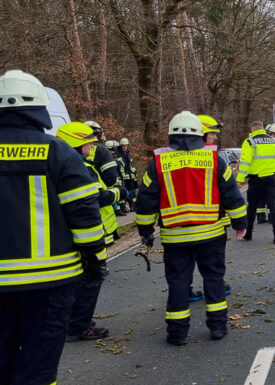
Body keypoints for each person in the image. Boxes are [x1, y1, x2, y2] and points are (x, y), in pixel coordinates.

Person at [0, 70, 105, 385]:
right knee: (39, 365)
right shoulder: (57, 151)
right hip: (50, 281)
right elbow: (85, 214)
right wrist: (93, 259)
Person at [135, 111, 248, 345]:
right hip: (211, 234)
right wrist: (240, 224)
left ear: (171, 135)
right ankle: (217, 326)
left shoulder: (158, 163)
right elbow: (231, 194)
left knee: (178, 282)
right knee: (214, 279)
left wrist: (145, 231)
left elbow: (145, 200)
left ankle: (177, 332)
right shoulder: (214, 159)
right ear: (200, 134)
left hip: (175, 237)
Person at [56, 122, 126, 342]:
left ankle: (73, 321)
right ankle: (79, 325)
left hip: (66, 235)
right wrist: (118, 193)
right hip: (86, 236)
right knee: (91, 278)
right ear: (77, 144)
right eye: (89, 143)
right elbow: (97, 197)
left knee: (75, 279)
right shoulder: (78, 167)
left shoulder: (60, 164)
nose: (92, 147)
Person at [190, 114, 231, 302]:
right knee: (213, 262)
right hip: (211, 222)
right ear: (201, 134)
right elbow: (229, 190)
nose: (215, 137)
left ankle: (185, 290)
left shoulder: (171, 158)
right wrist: (239, 220)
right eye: (212, 133)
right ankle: (215, 288)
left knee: (184, 261)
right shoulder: (213, 158)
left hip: (180, 223)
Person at [237, 121, 275, 243]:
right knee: (273, 206)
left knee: (252, 207)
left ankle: (248, 233)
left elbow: (245, 163)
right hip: (271, 178)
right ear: (263, 129)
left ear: (252, 130)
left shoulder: (249, 142)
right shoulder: (274, 141)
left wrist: (240, 180)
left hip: (256, 180)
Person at [85, 121, 123, 190]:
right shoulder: (101, 150)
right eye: (97, 134)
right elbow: (111, 178)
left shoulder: (74, 149)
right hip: (99, 192)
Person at [117, 137, 137, 211]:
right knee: (125, 192)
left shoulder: (128, 153)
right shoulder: (118, 154)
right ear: (121, 146)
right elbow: (120, 166)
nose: (124, 147)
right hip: (123, 177)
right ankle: (124, 207)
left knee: (132, 191)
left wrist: (134, 172)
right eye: (123, 146)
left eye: (126, 146)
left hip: (129, 176)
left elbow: (130, 165)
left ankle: (133, 205)